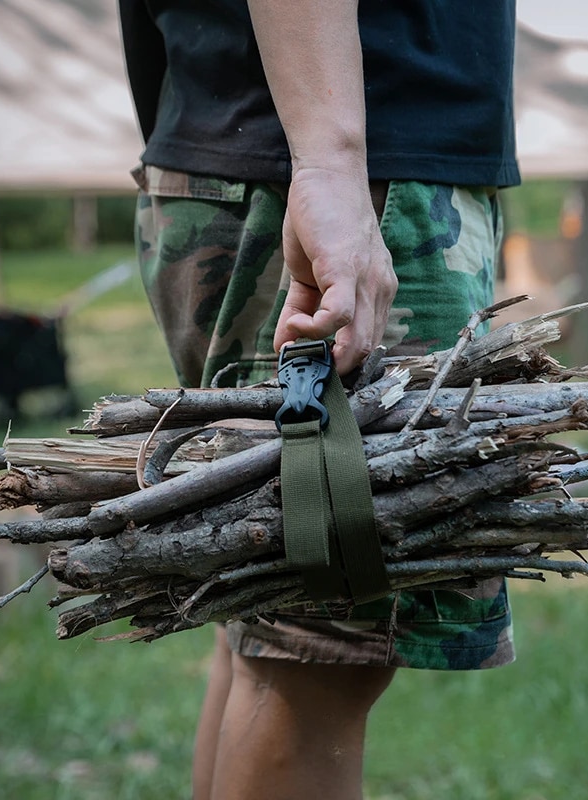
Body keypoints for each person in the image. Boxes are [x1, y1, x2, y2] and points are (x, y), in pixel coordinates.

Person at [119, 2, 520, 798]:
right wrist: (329, 165)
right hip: (347, 167)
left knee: (275, 631)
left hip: (261, 146)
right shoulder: (336, 166)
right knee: (320, 650)